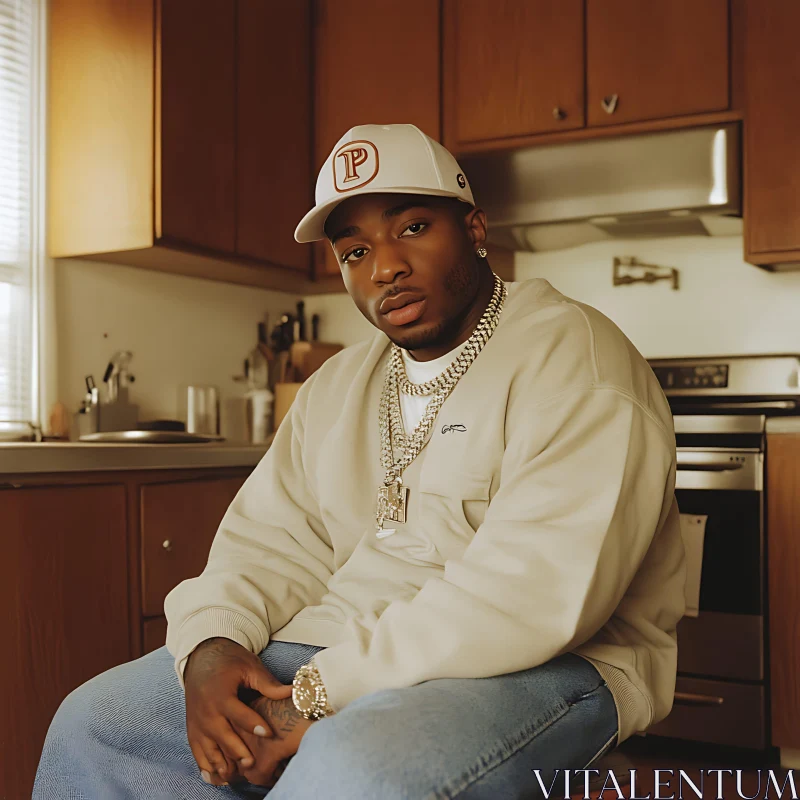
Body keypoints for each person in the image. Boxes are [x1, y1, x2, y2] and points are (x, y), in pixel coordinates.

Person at [34, 123, 685, 799]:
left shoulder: (575, 359)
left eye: (412, 228)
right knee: (97, 725)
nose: (385, 267)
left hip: (548, 662)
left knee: (354, 771)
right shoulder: (339, 386)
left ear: (475, 228)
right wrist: (210, 645)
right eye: (354, 251)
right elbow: (272, 544)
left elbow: (533, 593)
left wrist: (318, 696)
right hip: (335, 647)